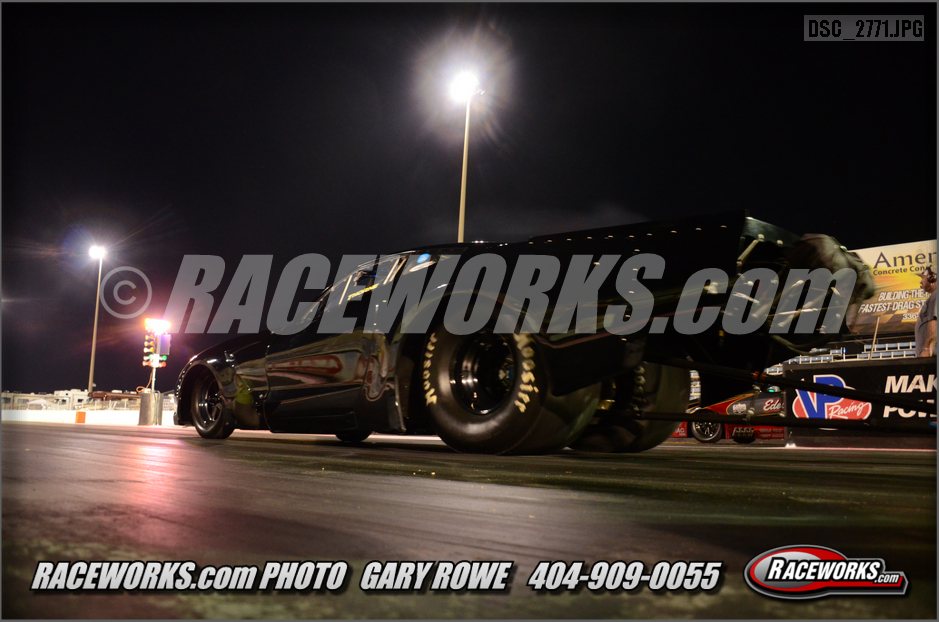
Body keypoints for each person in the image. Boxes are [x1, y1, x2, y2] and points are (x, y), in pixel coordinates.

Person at [915, 266, 936, 357]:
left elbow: (934, 323)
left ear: (932, 278)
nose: (921, 282)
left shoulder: (936, 295)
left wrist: (927, 348)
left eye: (923, 278)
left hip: (932, 355)